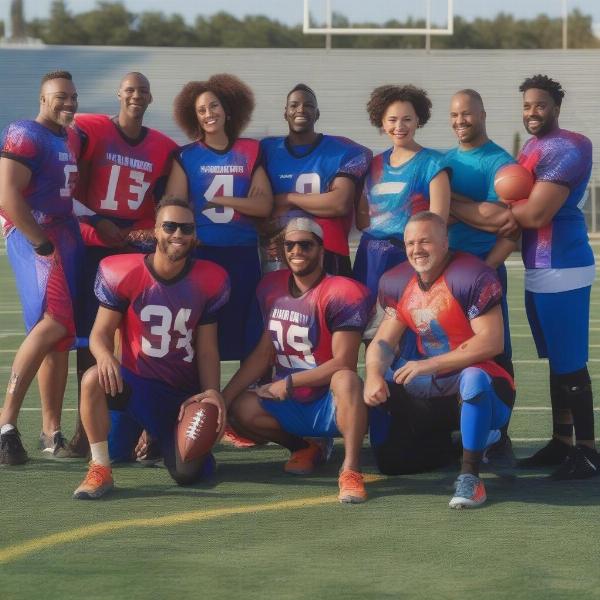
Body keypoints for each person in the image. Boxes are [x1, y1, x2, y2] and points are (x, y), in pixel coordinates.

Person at [73, 197, 230, 499]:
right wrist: (105, 355)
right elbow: (99, 334)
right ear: (155, 231)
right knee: (94, 380)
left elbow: (208, 349)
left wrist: (212, 393)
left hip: (181, 395)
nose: (178, 234)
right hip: (136, 386)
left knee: (188, 474)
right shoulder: (124, 272)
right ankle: (100, 469)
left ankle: (162, 436)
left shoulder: (210, 279)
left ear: (195, 235)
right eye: (170, 226)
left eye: (186, 228)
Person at [364, 212, 515, 508]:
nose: (416, 249)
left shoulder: (471, 275)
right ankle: (455, 444)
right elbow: (383, 341)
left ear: (445, 242)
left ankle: (471, 475)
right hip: (433, 387)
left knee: (472, 379)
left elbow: (491, 341)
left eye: (424, 241)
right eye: (410, 243)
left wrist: (429, 364)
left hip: (482, 380)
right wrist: (372, 374)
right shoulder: (398, 281)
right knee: (392, 461)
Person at [223, 217, 373, 503]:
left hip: (328, 401)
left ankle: (351, 468)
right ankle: (304, 447)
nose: (296, 251)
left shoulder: (341, 292)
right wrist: (223, 399)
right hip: (290, 402)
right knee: (241, 407)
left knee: (347, 380)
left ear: (321, 250)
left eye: (305, 245)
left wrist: (290, 382)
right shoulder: (271, 287)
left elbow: (344, 362)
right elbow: (265, 353)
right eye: (289, 245)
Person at [69, 72, 178, 458]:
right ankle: (85, 428)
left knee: (137, 335)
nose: (136, 95)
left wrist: (148, 234)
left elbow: (169, 199)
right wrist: (95, 219)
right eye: (130, 89)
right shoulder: (91, 128)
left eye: (143, 90)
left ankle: (146, 422)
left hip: (133, 251)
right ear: (119, 93)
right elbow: (62, 175)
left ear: (150, 98)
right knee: (88, 337)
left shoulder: (164, 147)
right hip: (92, 246)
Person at [510, 75, 597, 477]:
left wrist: (474, 212)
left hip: (562, 263)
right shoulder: (531, 147)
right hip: (537, 266)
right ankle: (562, 441)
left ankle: (587, 450)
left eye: (540, 105)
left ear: (556, 107)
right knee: (555, 363)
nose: (532, 112)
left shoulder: (572, 145)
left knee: (571, 363)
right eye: (527, 105)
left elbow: (535, 214)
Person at [0, 70, 83, 464]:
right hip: (38, 233)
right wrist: (41, 242)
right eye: (59, 97)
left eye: (72, 97)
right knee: (55, 324)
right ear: (42, 98)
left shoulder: (69, 137)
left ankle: (51, 432)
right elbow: (7, 194)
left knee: (60, 337)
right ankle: (6, 425)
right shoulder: (25, 132)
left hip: (63, 233)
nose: (67, 103)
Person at [166, 73, 272, 362]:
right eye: (201, 110)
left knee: (246, 331)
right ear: (194, 117)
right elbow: (174, 208)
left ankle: (247, 398)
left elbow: (263, 207)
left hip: (242, 253)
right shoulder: (186, 156)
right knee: (201, 331)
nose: (208, 114)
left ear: (227, 109)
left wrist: (220, 199)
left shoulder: (250, 150)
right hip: (202, 253)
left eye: (213, 106)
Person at [444, 89, 517, 463]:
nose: (460, 121)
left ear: (483, 114)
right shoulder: (446, 159)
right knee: (449, 348)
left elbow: (502, 221)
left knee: (495, 351)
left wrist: (450, 202)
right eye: (455, 115)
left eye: (467, 114)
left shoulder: (500, 162)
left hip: (484, 270)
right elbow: (442, 214)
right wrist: (472, 211)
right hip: (447, 273)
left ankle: (499, 436)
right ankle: (456, 429)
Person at [260, 83, 372, 276]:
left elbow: (339, 203)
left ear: (317, 114)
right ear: (285, 113)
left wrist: (288, 199)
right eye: (294, 105)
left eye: (309, 105)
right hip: (280, 251)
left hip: (327, 251)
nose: (301, 109)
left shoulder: (344, 150)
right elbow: (259, 205)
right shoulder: (267, 149)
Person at [353, 84, 450, 307]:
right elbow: (362, 217)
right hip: (370, 258)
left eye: (407, 119)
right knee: (370, 331)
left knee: (407, 332)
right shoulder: (373, 164)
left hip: (409, 259)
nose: (399, 126)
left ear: (418, 120)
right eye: (392, 119)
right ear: (382, 122)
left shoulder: (433, 163)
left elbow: (438, 222)